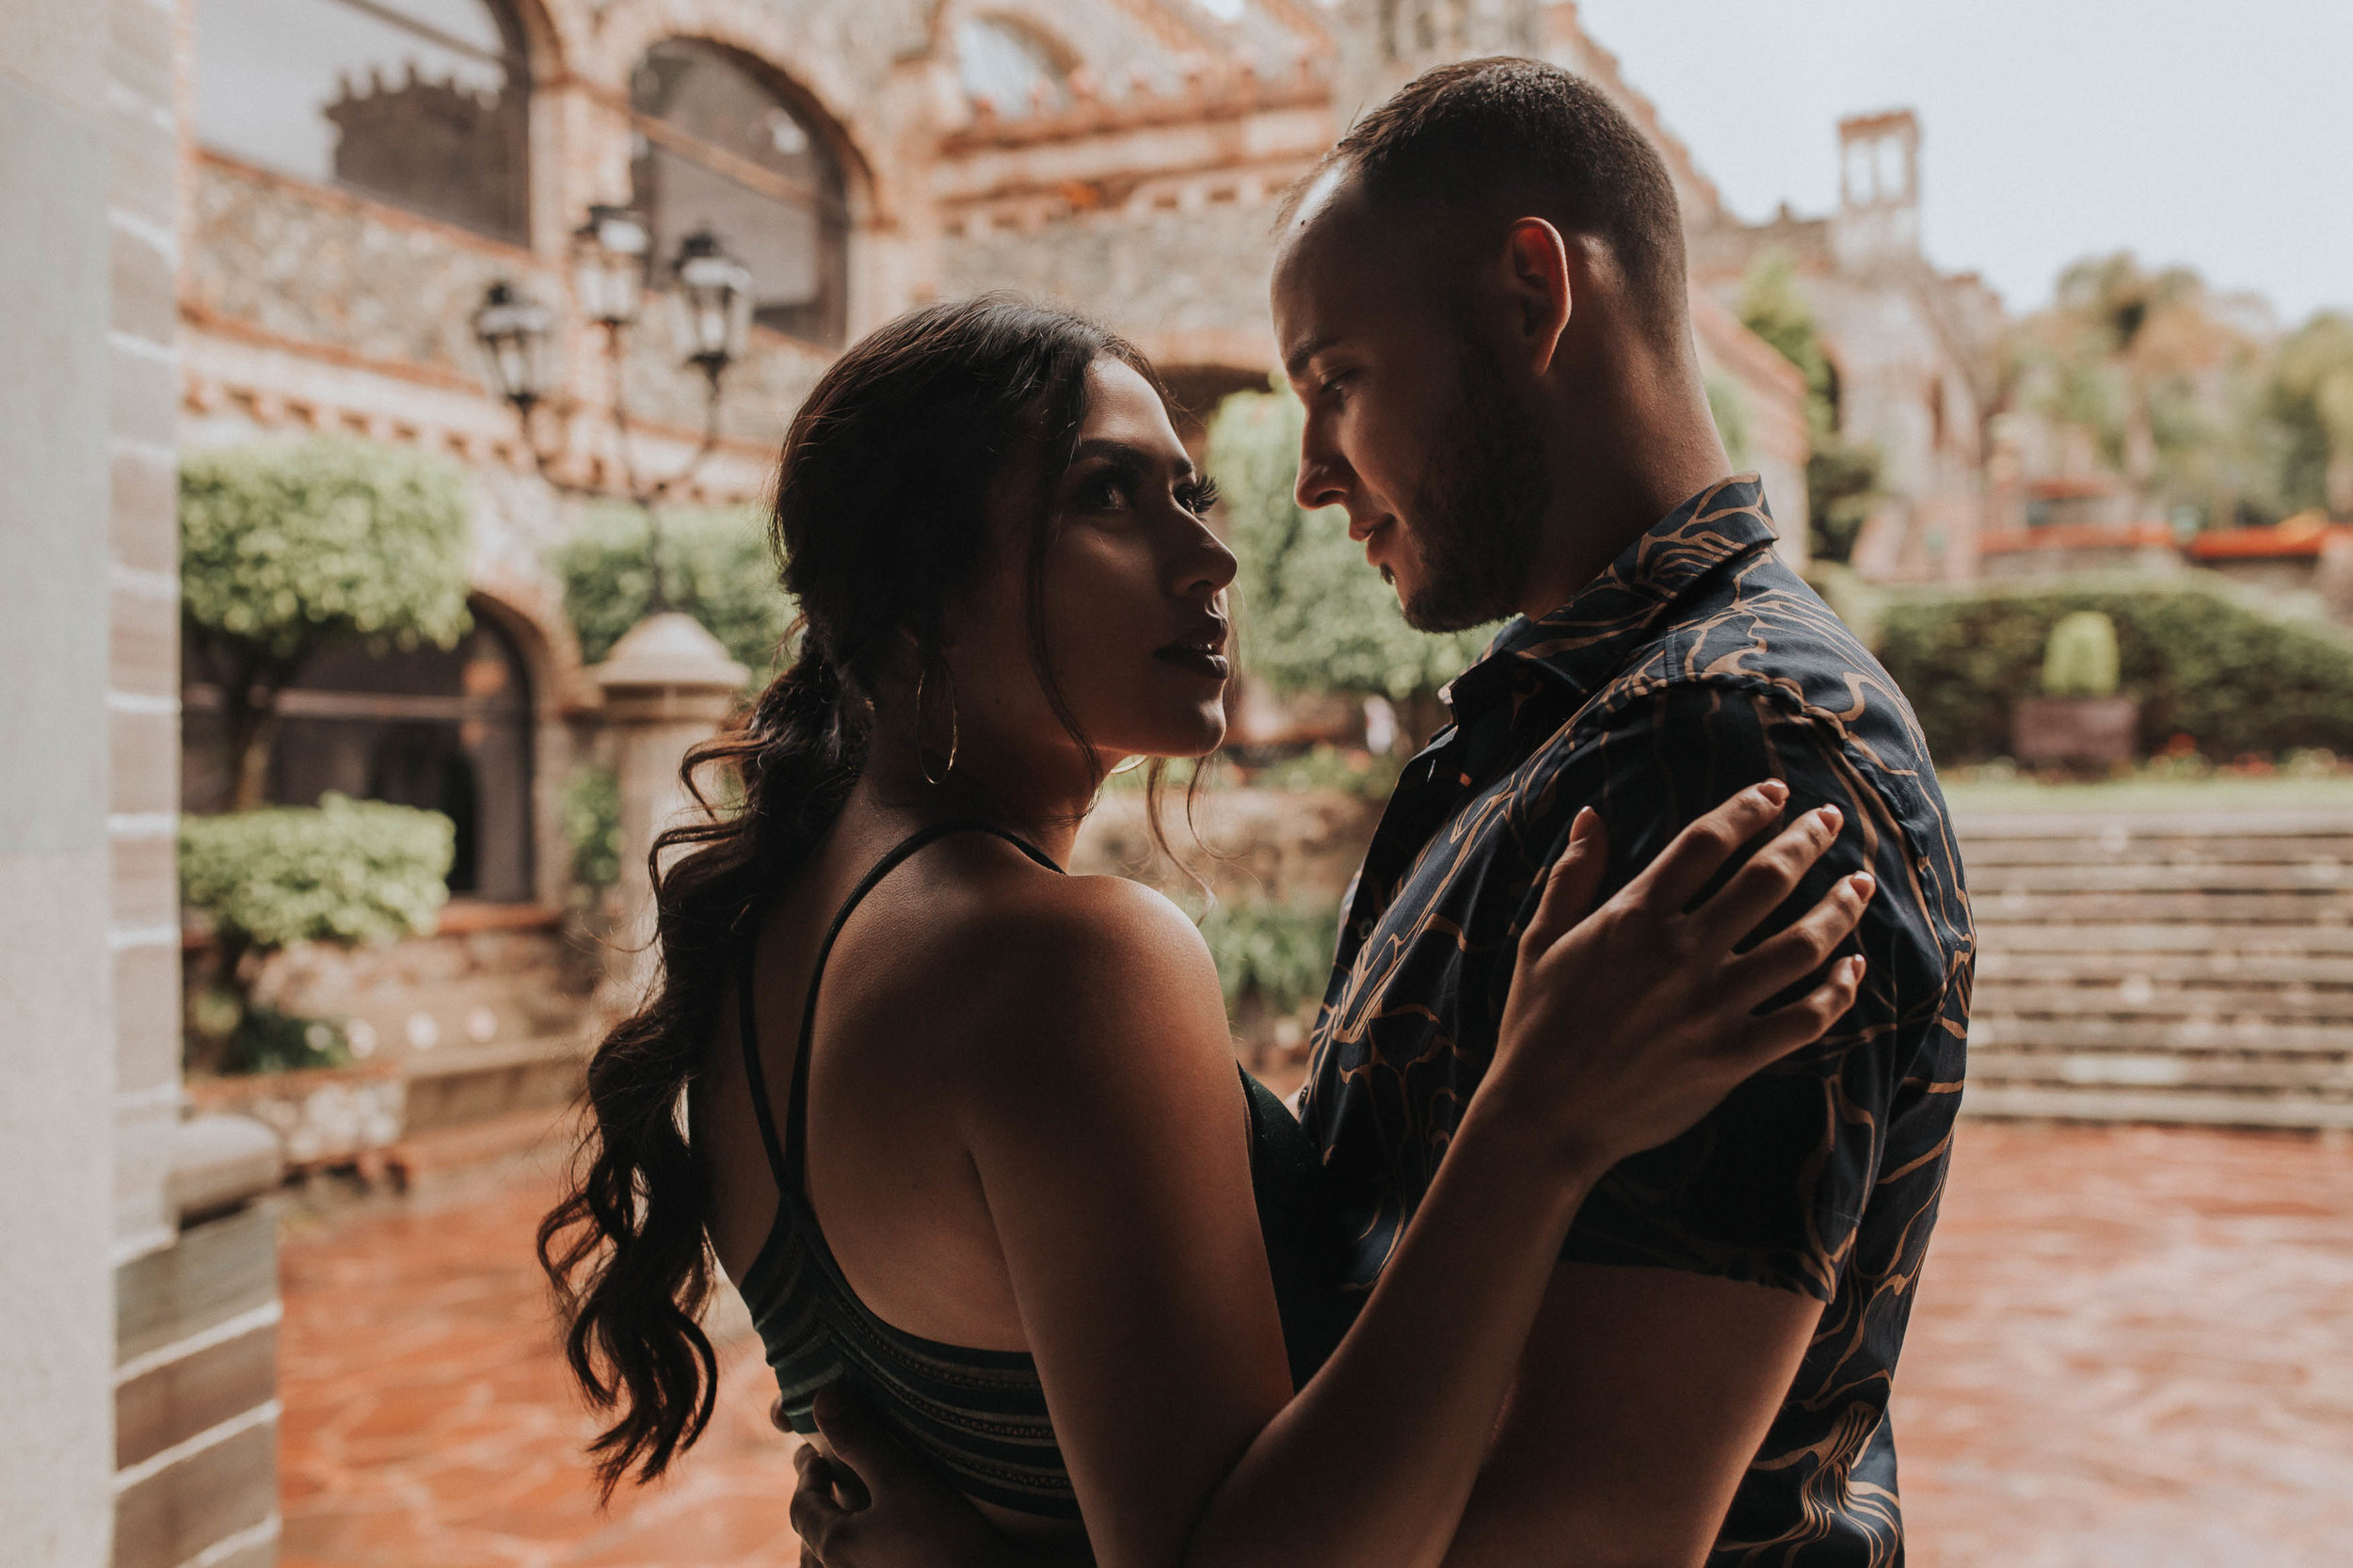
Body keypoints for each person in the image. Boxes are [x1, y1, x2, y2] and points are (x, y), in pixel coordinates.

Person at [790, 57, 1973, 1568]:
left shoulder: (1734, 748)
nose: (1302, 481)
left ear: (1531, 297)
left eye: (1335, 378)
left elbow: (1580, 1538)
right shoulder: (1553, 726)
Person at [537, 294, 1877, 1568]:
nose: (1214, 555)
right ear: (919, 592)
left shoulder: (765, 948)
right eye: (1104, 495)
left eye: (1186, 490)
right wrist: (1538, 1125)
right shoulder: (1061, 962)